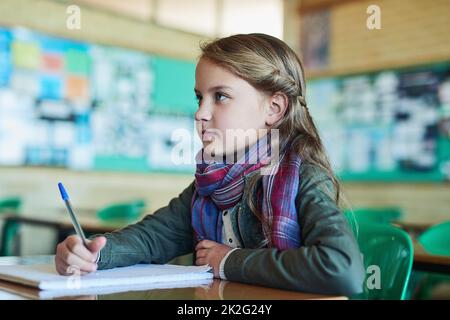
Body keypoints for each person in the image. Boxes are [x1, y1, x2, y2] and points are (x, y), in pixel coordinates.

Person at [55, 33, 365, 296]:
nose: (200, 114)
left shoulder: (303, 177)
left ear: (273, 109)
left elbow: (342, 269)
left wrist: (229, 261)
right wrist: (91, 253)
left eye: (221, 97)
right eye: (199, 98)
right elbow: (153, 237)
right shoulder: (211, 182)